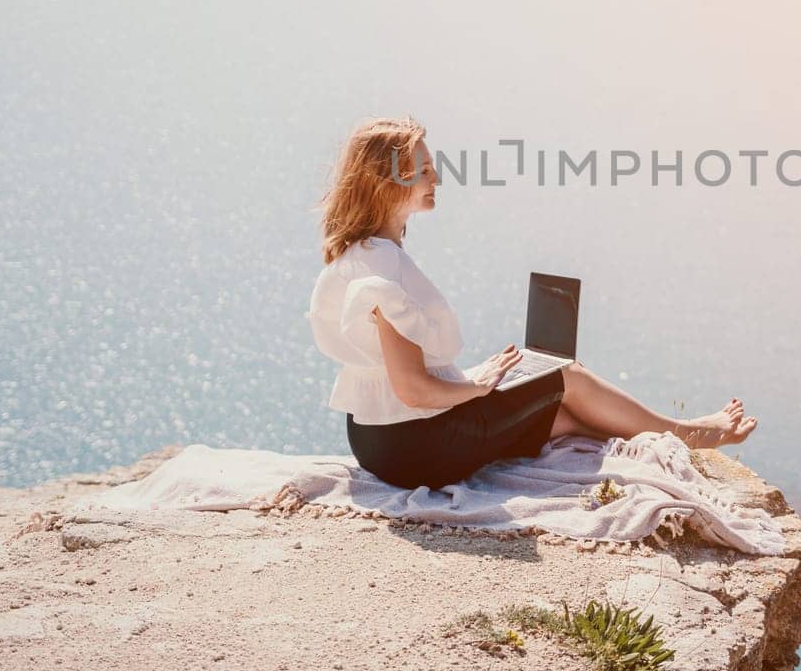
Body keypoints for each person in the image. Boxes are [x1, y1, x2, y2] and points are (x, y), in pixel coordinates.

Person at [307, 115, 757, 491]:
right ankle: (695, 434)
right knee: (564, 374)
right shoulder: (383, 269)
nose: (437, 177)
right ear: (388, 183)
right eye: (423, 169)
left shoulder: (365, 253)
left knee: (556, 411)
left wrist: (480, 381)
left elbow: (404, 381)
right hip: (414, 447)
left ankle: (657, 436)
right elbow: (413, 389)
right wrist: (477, 390)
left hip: (381, 438)